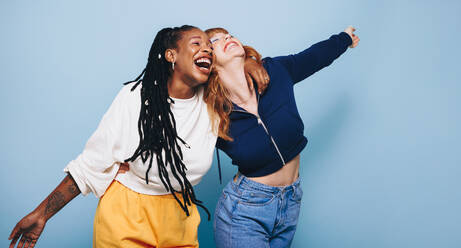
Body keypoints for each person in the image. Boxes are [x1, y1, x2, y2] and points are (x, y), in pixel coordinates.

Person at [8, 25, 269, 248]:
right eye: (196, 43)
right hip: (127, 212)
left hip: (180, 215)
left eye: (210, 49)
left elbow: (234, 65)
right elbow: (92, 164)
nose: (207, 50)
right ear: (171, 55)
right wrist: (42, 214)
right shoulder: (136, 98)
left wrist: (249, 60)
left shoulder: (212, 101)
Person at [204, 26, 359, 247]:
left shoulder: (274, 71)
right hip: (245, 211)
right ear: (208, 62)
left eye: (228, 34)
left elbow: (313, 57)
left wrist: (343, 39)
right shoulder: (210, 111)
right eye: (216, 40)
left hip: (291, 201)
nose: (227, 37)